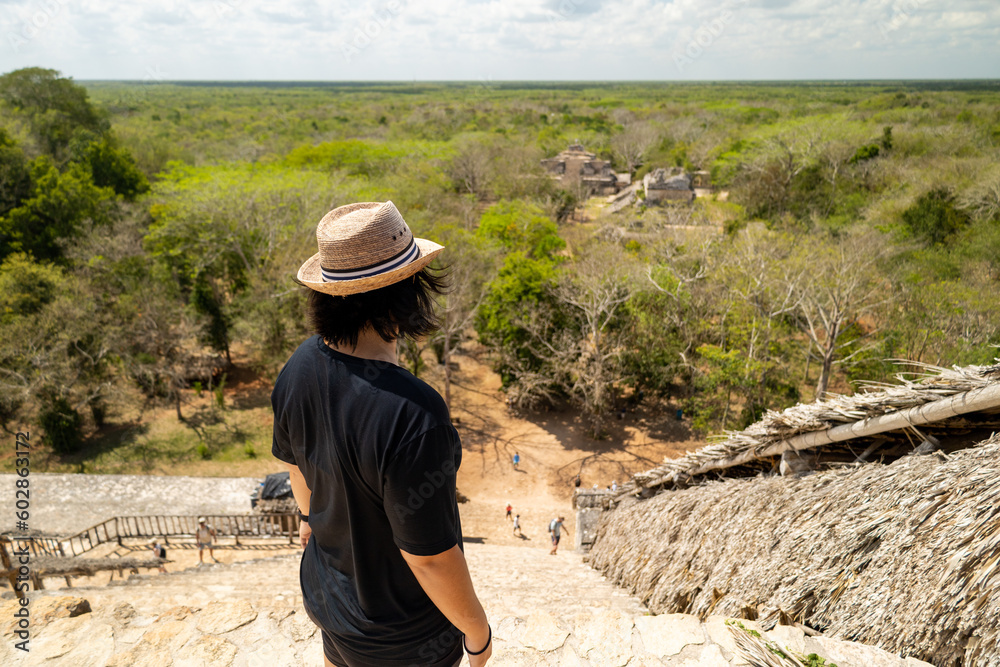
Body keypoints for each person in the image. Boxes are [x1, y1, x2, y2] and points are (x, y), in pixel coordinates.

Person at [272, 201, 491, 667]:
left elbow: (298, 475)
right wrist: (477, 631)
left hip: (331, 603)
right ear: (406, 295)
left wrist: (318, 522)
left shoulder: (298, 366)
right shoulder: (414, 414)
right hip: (405, 635)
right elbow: (429, 557)